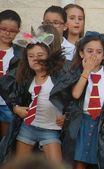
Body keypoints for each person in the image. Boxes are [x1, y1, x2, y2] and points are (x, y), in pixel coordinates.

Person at [0, 28, 72, 164]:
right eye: (31, 56)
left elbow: (73, 99)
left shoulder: (59, 76)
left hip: (50, 129)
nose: (36, 59)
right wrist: (15, 108)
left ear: (48, 55)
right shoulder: (26, 77)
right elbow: (5, 86)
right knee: (21, 165)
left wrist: (66, 115)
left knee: (56, 165)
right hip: (28, 127)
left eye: (40, 55)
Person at [62, 31, 104, 169]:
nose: (94, 55)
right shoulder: (76, 72)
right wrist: (86, 71)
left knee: (99, 160)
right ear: (81, 53)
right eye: (89, 51)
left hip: (101, 124)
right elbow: (76, 94)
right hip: (81, 122)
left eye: (98, 52)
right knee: (78, 161)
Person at [0, 10, 23, 137]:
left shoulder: (20, 53)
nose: (7, 33)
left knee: (6, 140)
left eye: (12, 30)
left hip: (7, 104)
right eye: (3, 28)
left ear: (18, 31)